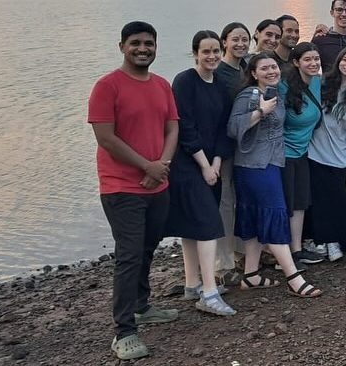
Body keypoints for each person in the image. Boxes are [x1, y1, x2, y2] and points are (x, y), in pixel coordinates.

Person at [88, 21, 179, 360]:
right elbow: (106, 138)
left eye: (149, 43)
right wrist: (146, 166)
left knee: (148, 248)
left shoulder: (162, 85)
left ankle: (141, 306)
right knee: (128, 255)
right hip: (121, 187)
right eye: (136, 43)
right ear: (122, 46)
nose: (143, 49)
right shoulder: (107, 86)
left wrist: (162, 166)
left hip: (158, 183)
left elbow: (172, 128)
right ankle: (124, 331)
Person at [227, 52, 322, 297]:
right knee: (274, 213)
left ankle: (251, 275)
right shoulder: (249, 95)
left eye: (274, 67)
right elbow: (233, 128)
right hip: (253, 166)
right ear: (253, 73)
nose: (271, 71)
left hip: (272, 162)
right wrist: (259, 112)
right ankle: (293, 277)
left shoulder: (276, 93)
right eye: (265, 68)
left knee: (256, 216)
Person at [163, 30, 236, 316]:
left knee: (198, 224)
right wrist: (204, 165)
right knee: (205, 224)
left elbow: (223, 129)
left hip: (212, 164)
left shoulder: (220, 85)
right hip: (186, 164)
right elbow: (184, 127)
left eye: (216, 50)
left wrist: (216, 162)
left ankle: (193, 284)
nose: (212, 56)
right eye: (206, 51)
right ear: (195, 53)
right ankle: (208, 292)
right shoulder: (184, 82)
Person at [308, 46, 346, 265]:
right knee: (322, 200)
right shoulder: (322, 84)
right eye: (345, 59)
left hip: (341, 156)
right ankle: (330, 241)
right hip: (316, 153)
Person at [280, 42, 326, 265]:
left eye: (316, 59)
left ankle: (296, 250)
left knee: (300, 202)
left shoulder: (317, 82)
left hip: (303, 153)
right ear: (296, 62)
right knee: (285, 204)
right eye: (307, 59)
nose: (313, 63)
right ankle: (281, 254)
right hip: (283, 155)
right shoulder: (283, 86)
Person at [214, 22, 250, 281]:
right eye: (235, 39)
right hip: (225, 145)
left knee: (241, 198)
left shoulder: (246, 68)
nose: (240, 44)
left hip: (246, 146)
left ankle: (240, 250)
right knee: (225, 202)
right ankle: (223, 262)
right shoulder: (218, 71)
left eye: (244, 39)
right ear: (224, 41)